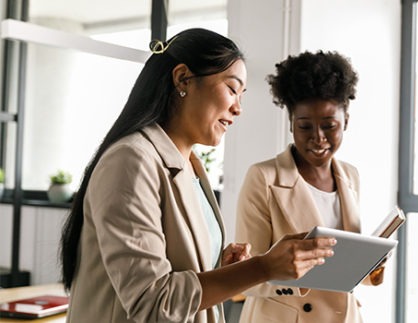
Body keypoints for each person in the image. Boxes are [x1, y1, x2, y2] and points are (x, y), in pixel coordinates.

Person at [59, 28, 336, 323]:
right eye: (232, 88)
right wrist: (262, 268)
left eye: (242, 95)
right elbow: (153, 303)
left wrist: (223, 266)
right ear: (183, 79)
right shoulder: (131, 160)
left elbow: (178, 268)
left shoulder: (190, 166)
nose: (238, 108)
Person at [235, 50, 385, 323]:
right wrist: (294, 275)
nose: (318, 138)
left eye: (329, 126)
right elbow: (244, 275)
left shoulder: (350, 176)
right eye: (305, 127)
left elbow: (341, 266)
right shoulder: (263, 178)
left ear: (346, 123)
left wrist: (369, 266)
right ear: (292, 124)